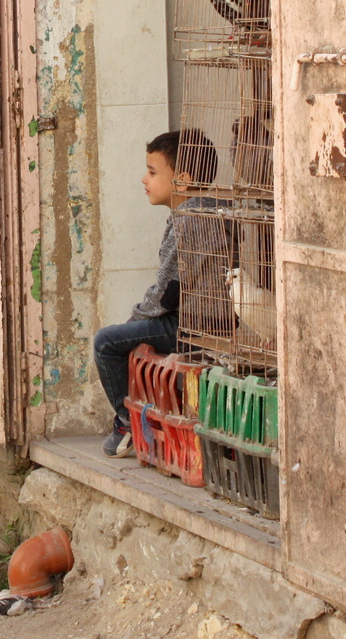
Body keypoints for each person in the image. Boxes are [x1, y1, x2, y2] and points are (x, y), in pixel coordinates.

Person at [93, 128, 229, 458]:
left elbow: (167, 294)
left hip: (190, 323)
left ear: (182, 179)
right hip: (217, 318)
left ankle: (127, 421)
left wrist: (135, 318)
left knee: (107, 342)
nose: (144, 179)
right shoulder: (211, 210)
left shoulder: (187, 219)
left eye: (152, 172)